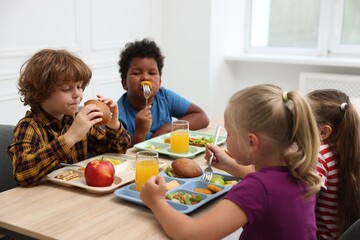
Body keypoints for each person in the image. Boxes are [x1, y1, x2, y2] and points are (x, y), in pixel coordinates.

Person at [140, 84, 322, 239]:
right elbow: (268, 186)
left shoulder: (256, 189)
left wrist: (156, 201)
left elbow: (191, 234)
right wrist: (228, 164)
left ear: (252, 142)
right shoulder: (300, 169)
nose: (226, 138)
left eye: (229, 133)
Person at [8, 49, 131, 187]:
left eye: (80, 87)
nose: (77, 94)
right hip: (42, 201)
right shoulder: (29, 127)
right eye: (67, 89)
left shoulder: (75, 119)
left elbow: (116, 152)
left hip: (74, 196)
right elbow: (22, 174)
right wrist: (70, 137)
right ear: (40, 93)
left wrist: (113, 123)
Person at [117, 38, 209, 146]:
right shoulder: (117, 115)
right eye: (137, 73)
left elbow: (201, 117)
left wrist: (166, 129)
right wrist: (140, 133)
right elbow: (125, 155)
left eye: (152, 73)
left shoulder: (165, 97)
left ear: (160, 82)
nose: (145, 77)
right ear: (124, 83)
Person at [307, 89, 360, 239]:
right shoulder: (351, 150)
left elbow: (300, 207)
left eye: (301, 123)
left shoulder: (320, 157)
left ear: (324, 132)